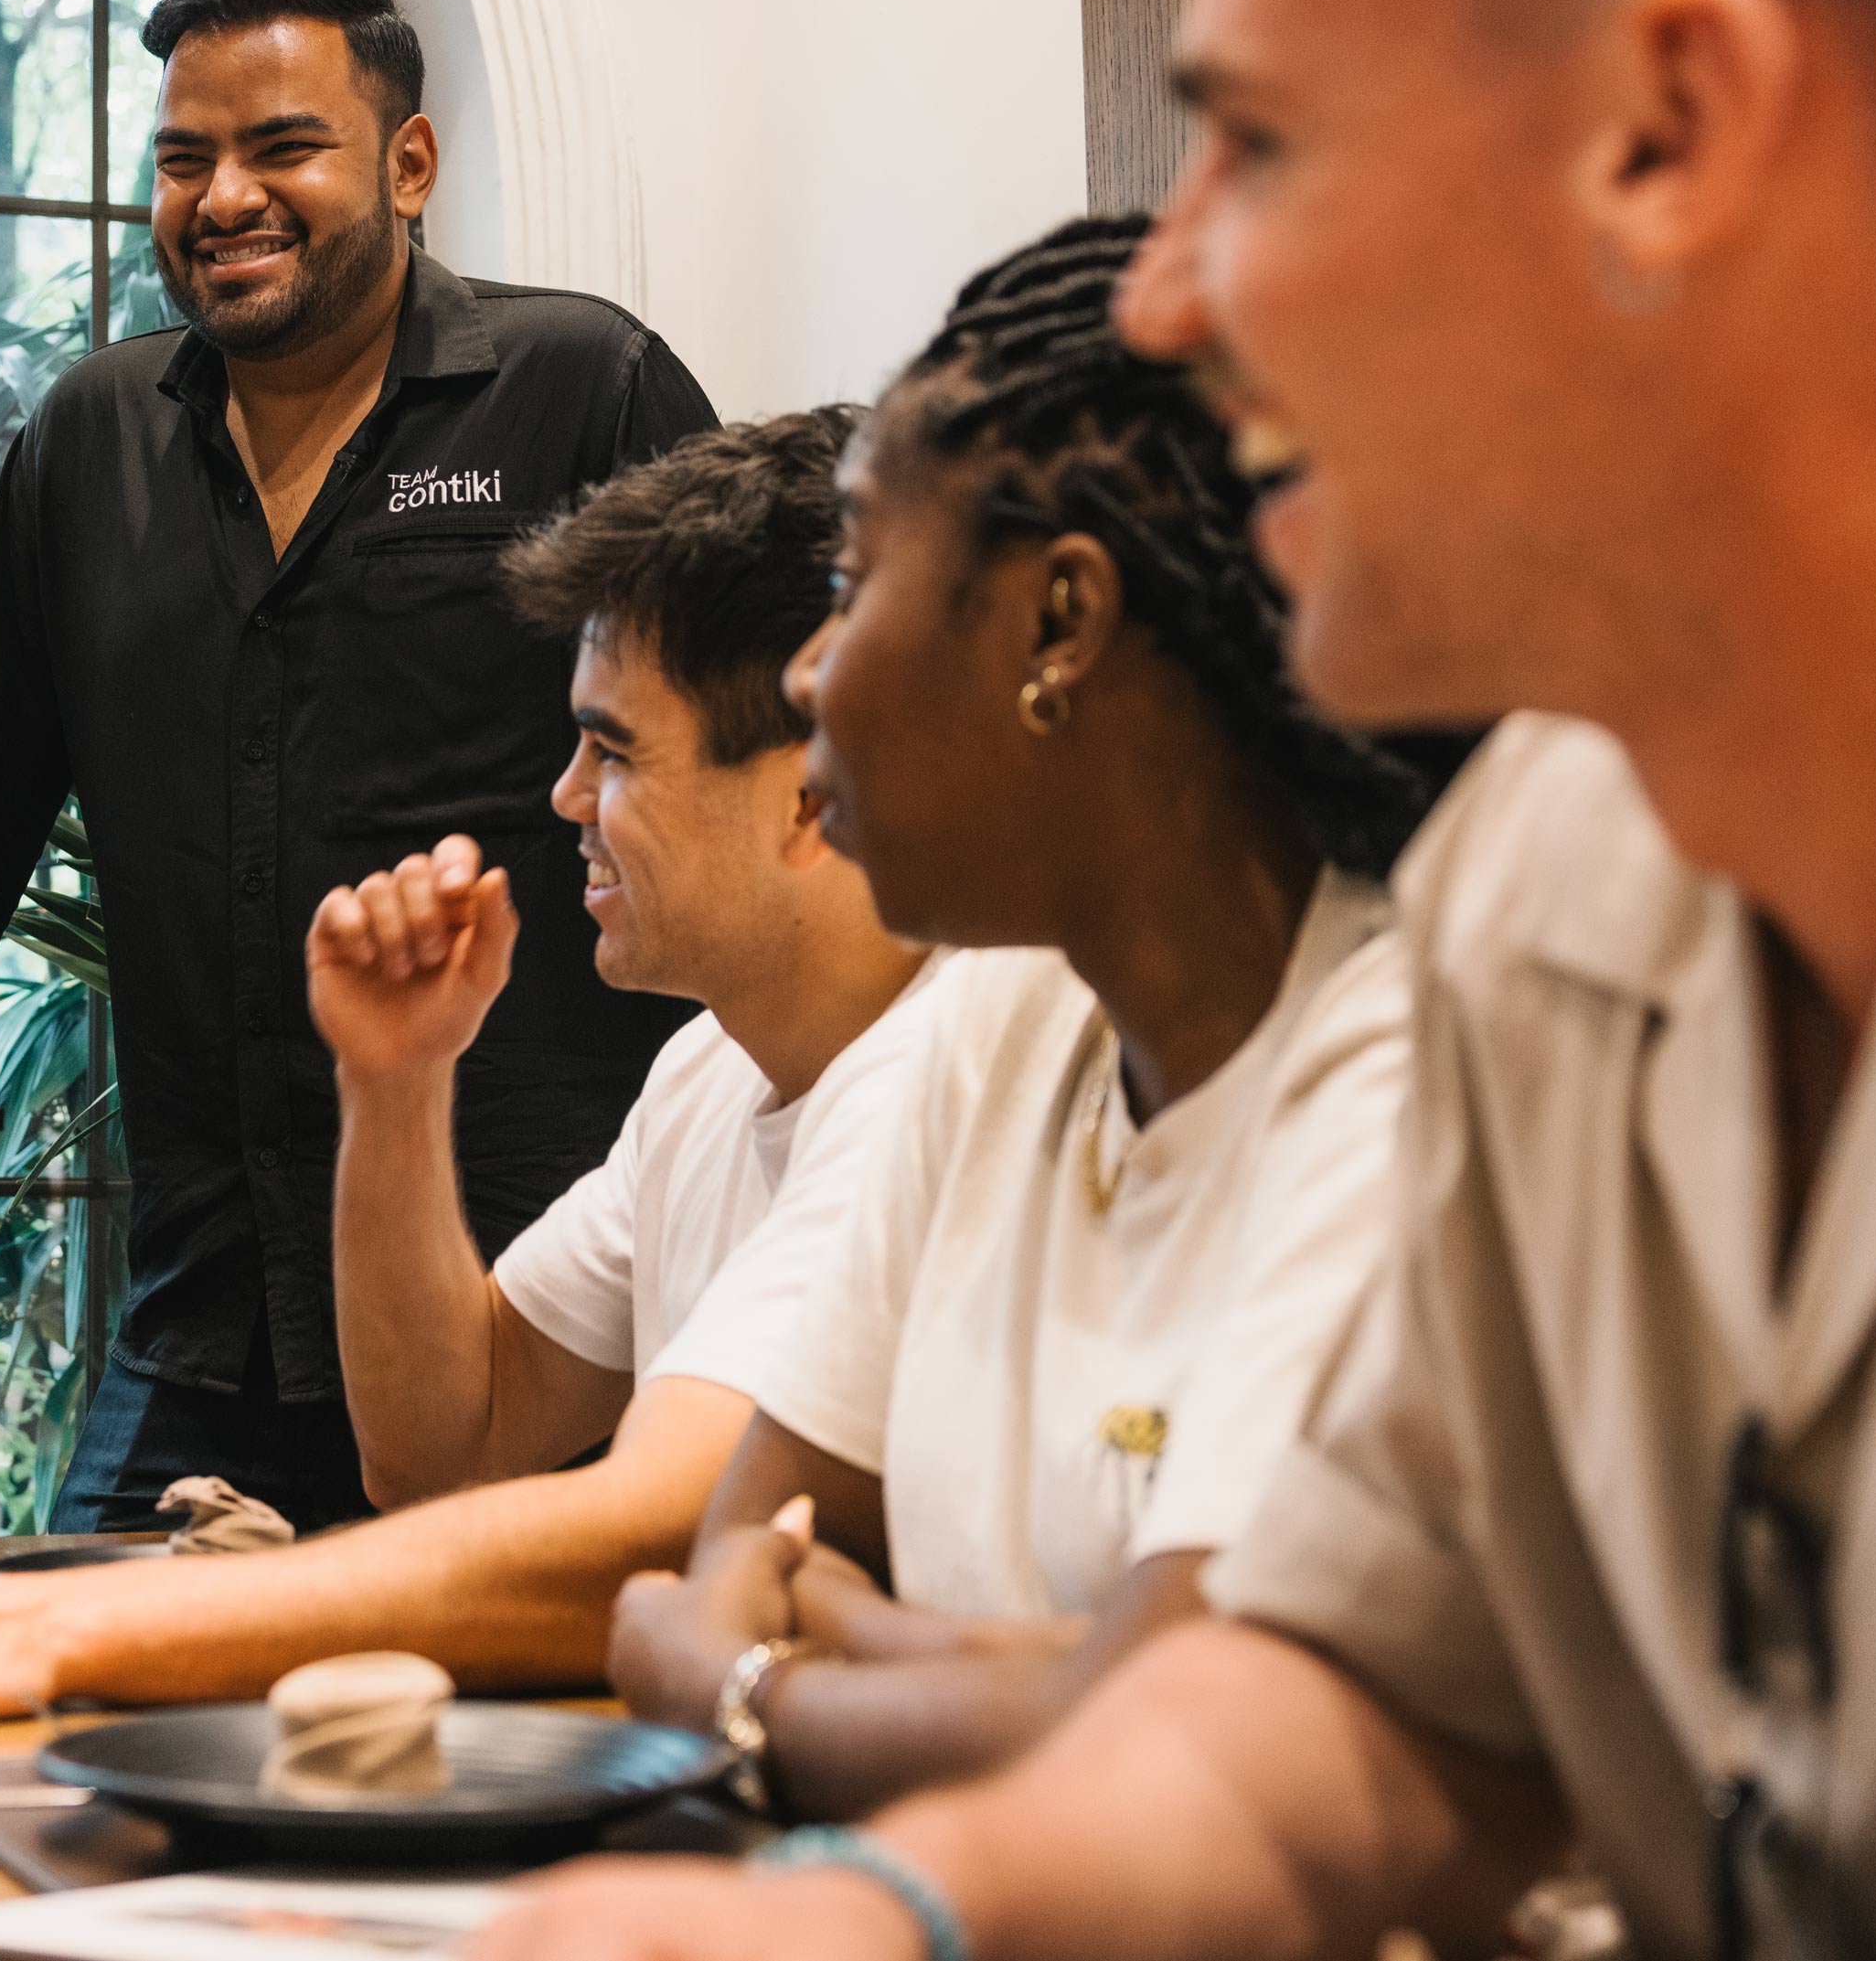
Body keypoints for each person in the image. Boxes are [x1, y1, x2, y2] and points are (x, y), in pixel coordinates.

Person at [475, 0, 1876, 1956]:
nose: (1166, 297)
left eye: (1258, 139)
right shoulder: (1549, 871)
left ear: (1668, 125)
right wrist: (872, 1909)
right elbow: (1356, 1723)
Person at [0, 412, 944, 1732]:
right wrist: (395, 1080)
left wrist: (44, 1620)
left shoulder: (934, 1067)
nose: (563, 797)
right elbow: (445, 1448)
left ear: (810, 782)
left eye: (616, 751)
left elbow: (654, 1538)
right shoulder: (709, 1074)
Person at [0, 0, 716, 1533]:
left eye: (284, 148)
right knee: (76, 1734)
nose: (225, 197)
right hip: (213, 1316)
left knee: (495, 1757)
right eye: (184, 156)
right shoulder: (90, 443)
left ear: (408, 163)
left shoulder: (581, 389)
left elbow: (751, 767)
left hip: (541, 1306)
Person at [589, 215, 1445, 1832]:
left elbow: (1180, 1754)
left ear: (1061, 622)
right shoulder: (999, 1009)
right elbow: (740, 1548)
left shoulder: (1398, 1056)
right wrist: (1025, 1672)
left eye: (849, 582)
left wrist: (764, 1684)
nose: (817, 678)